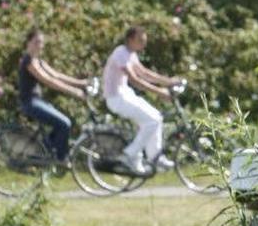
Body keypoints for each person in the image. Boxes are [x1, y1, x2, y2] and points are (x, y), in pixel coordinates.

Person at [102, 25, 180, 177]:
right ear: (130, 39)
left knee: (156, 117)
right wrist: (159, 92)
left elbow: (144, 73)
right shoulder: (121, 53)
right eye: (140, 40)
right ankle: (129, 155)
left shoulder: (130, 54)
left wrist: (169, 82)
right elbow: (135, 79)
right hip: (116, 98)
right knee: (152, 121)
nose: (144, 43)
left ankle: (155, 157)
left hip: (124, 95)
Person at [16, 28, 90, 164]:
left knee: (60, 125)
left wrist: (81, 83)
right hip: (30, 103)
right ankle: (60, 159)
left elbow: (56, 75)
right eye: (36, 42)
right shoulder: (28, 61)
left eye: (41, 42)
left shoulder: (38, 61)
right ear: (28, 42)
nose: (39, 45)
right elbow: (48, 81)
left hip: (37, 101)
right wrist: (74, 91)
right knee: (65, 123)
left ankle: (43, 153)